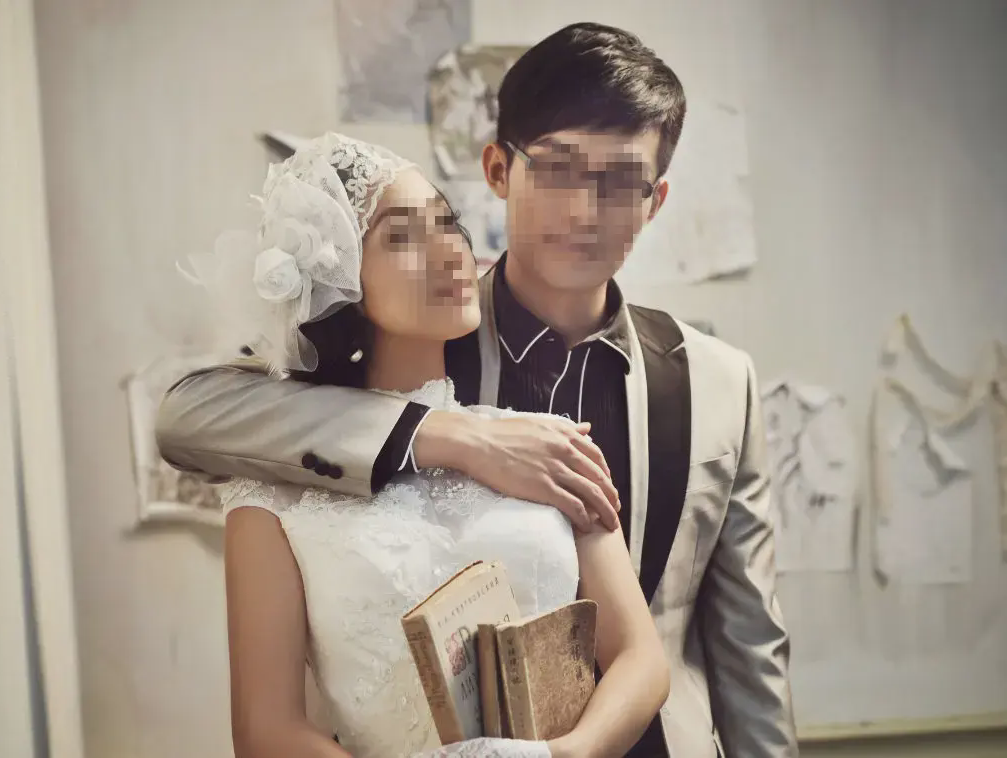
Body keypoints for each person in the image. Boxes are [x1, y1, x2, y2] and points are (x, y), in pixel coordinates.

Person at [159, 22, 797, 758]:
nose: (585, 211)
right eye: (557, 168)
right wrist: (446, 434)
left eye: (621, 182)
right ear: (499, 169)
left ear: (655, 201)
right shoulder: (421, 333)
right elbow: (189, 418)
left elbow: (750, 644)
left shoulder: (720, 381)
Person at [182, 132, 669, 758]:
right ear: (336, 280)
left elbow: (640, 657)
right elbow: (265, 730)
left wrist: (561, 756)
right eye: (403, 236)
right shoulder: (271, 493)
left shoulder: (544, 442)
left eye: (447, 224)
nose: (448, 252)